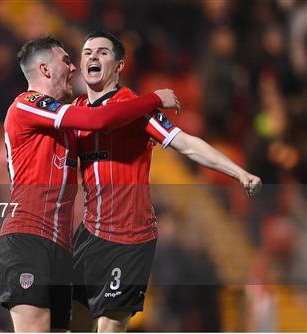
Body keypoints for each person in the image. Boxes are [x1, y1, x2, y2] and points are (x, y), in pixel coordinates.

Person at [70, 30, 263, 332]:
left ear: (120, 65)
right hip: (90, 232)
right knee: (71, 321)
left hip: (128, 236)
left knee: (109, 327)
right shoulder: (77, 110)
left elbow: (185, 143)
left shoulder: (136, 109)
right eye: (87, 51)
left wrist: (238, 172)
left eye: (103, 52)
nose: (93, 56)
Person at [0, 36, 180, 332]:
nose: (73, 68)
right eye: (66, 60)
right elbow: (100, 120)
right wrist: (154, 99)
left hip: (59, 246)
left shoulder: (63, 124)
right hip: (27, 239)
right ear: (44, 69)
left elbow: (104, 121)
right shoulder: (27, 104)